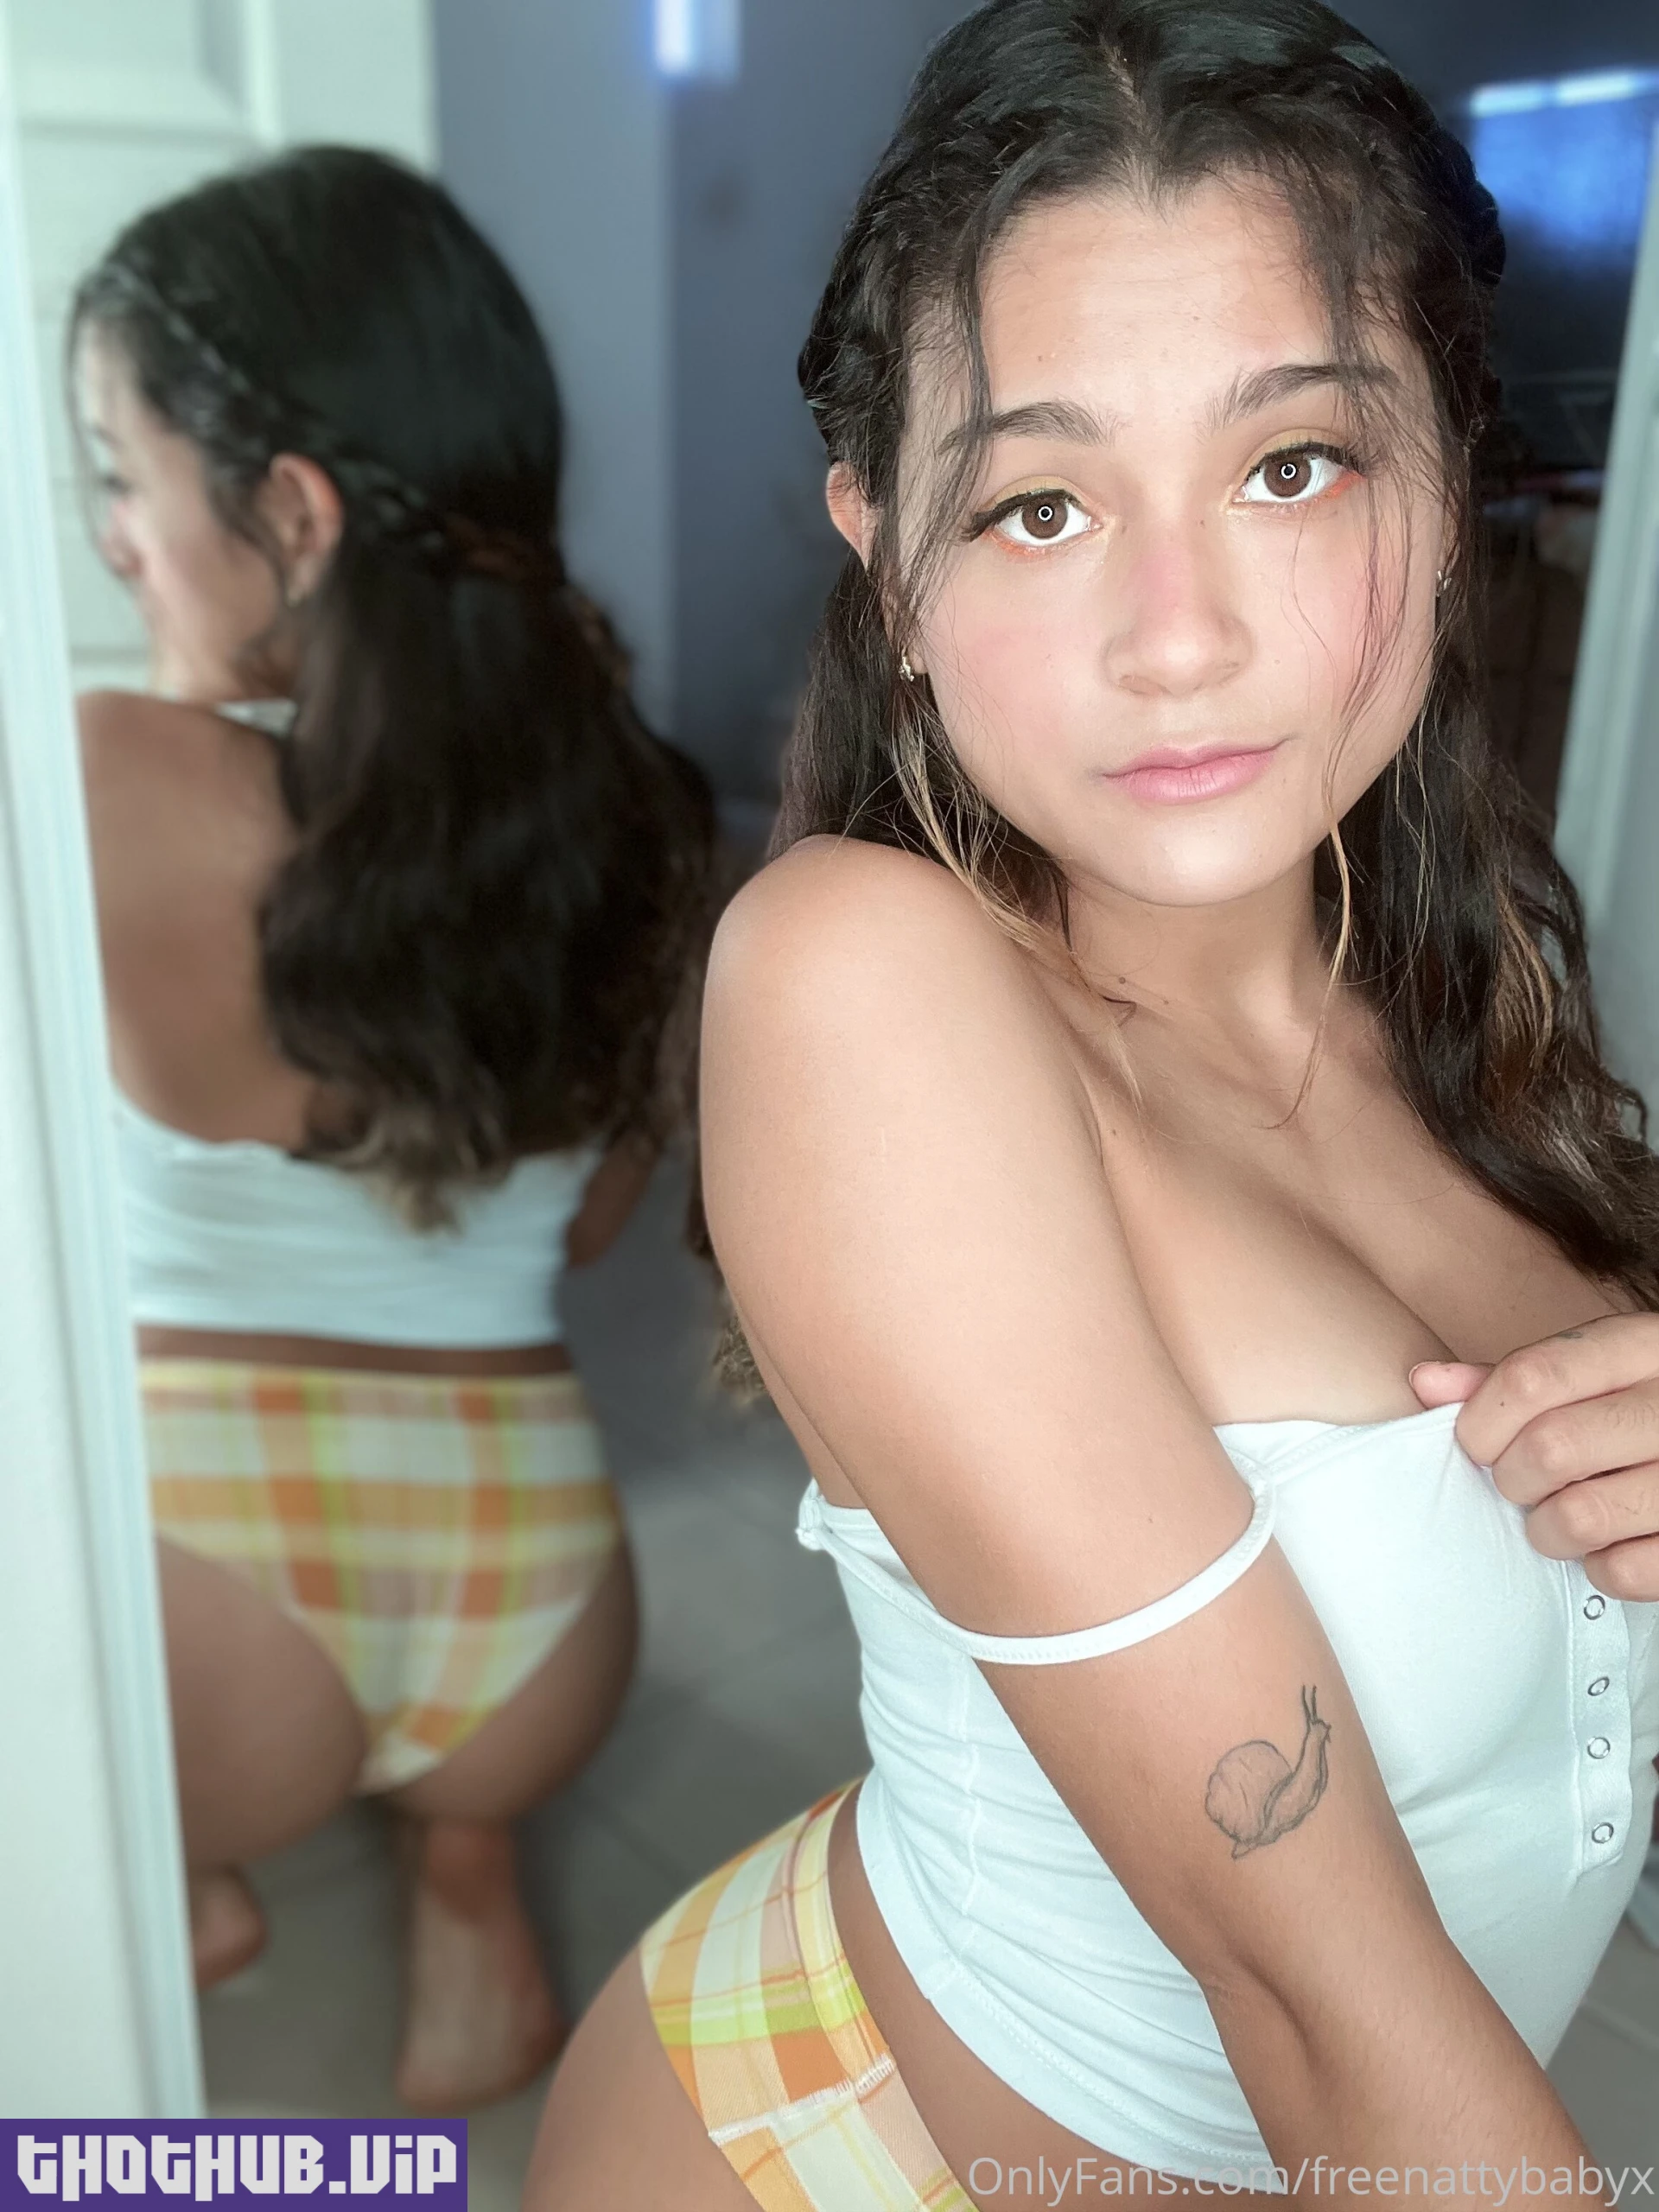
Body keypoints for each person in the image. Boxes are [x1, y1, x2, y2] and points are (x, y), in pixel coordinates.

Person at [531, 3, 1659, 2204]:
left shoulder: (1464, 989)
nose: (1179, 636)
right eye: (1041, 504)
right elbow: (1313, 1994)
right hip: (840, 2143)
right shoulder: (860, 983)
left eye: (1291, 466)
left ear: (1449, 484)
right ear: (892, 557)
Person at [69, 146, 712, 2111]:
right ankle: (469, 1864)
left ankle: (177, 1888)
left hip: (207, 1632)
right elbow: (582, 1228)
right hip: (541, 1615)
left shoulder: (93, 776)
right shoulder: (639, 817)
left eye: (118, 478)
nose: (112, 543)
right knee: (466, 1760)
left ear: (290, 511)